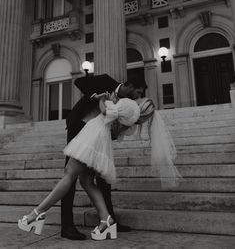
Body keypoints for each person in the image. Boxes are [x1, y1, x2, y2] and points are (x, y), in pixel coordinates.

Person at [17, 95, 142, 241]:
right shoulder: (124, 109)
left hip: (93, 137)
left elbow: (103, 109)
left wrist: (101, 98)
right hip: (96, 137)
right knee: (86, 181)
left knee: (69, 174)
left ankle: (37, 214)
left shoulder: (114, 108)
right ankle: (106, 219)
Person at [60, 73, 147, 240]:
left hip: (97, 135)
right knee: (70, 176)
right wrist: (95, 96)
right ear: (128, 85)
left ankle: (110, 220)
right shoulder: (105, 81)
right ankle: (67, 225)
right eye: (138, 92)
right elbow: (80, 81)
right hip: (78, 127)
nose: (138, 96)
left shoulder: (125, 103)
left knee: (103, 177)